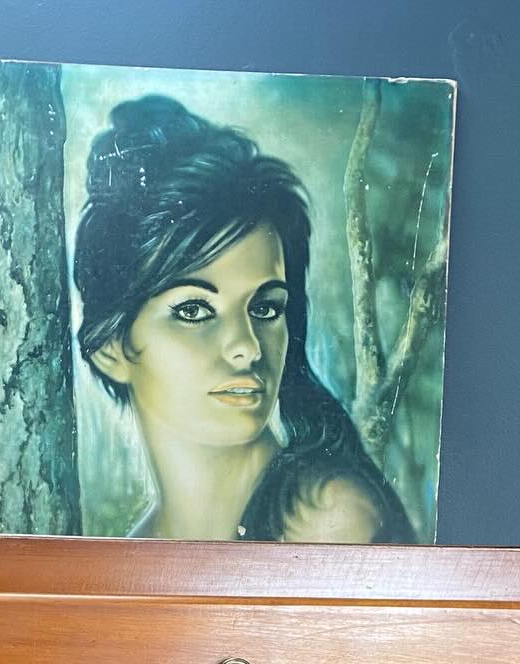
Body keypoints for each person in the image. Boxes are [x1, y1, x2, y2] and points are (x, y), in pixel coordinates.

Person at [73, 94, 416, 544]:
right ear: (110, 347)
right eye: (194, 310)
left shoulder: (327, 521)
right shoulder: (130, 553)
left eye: (265, 308)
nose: (248, 346)